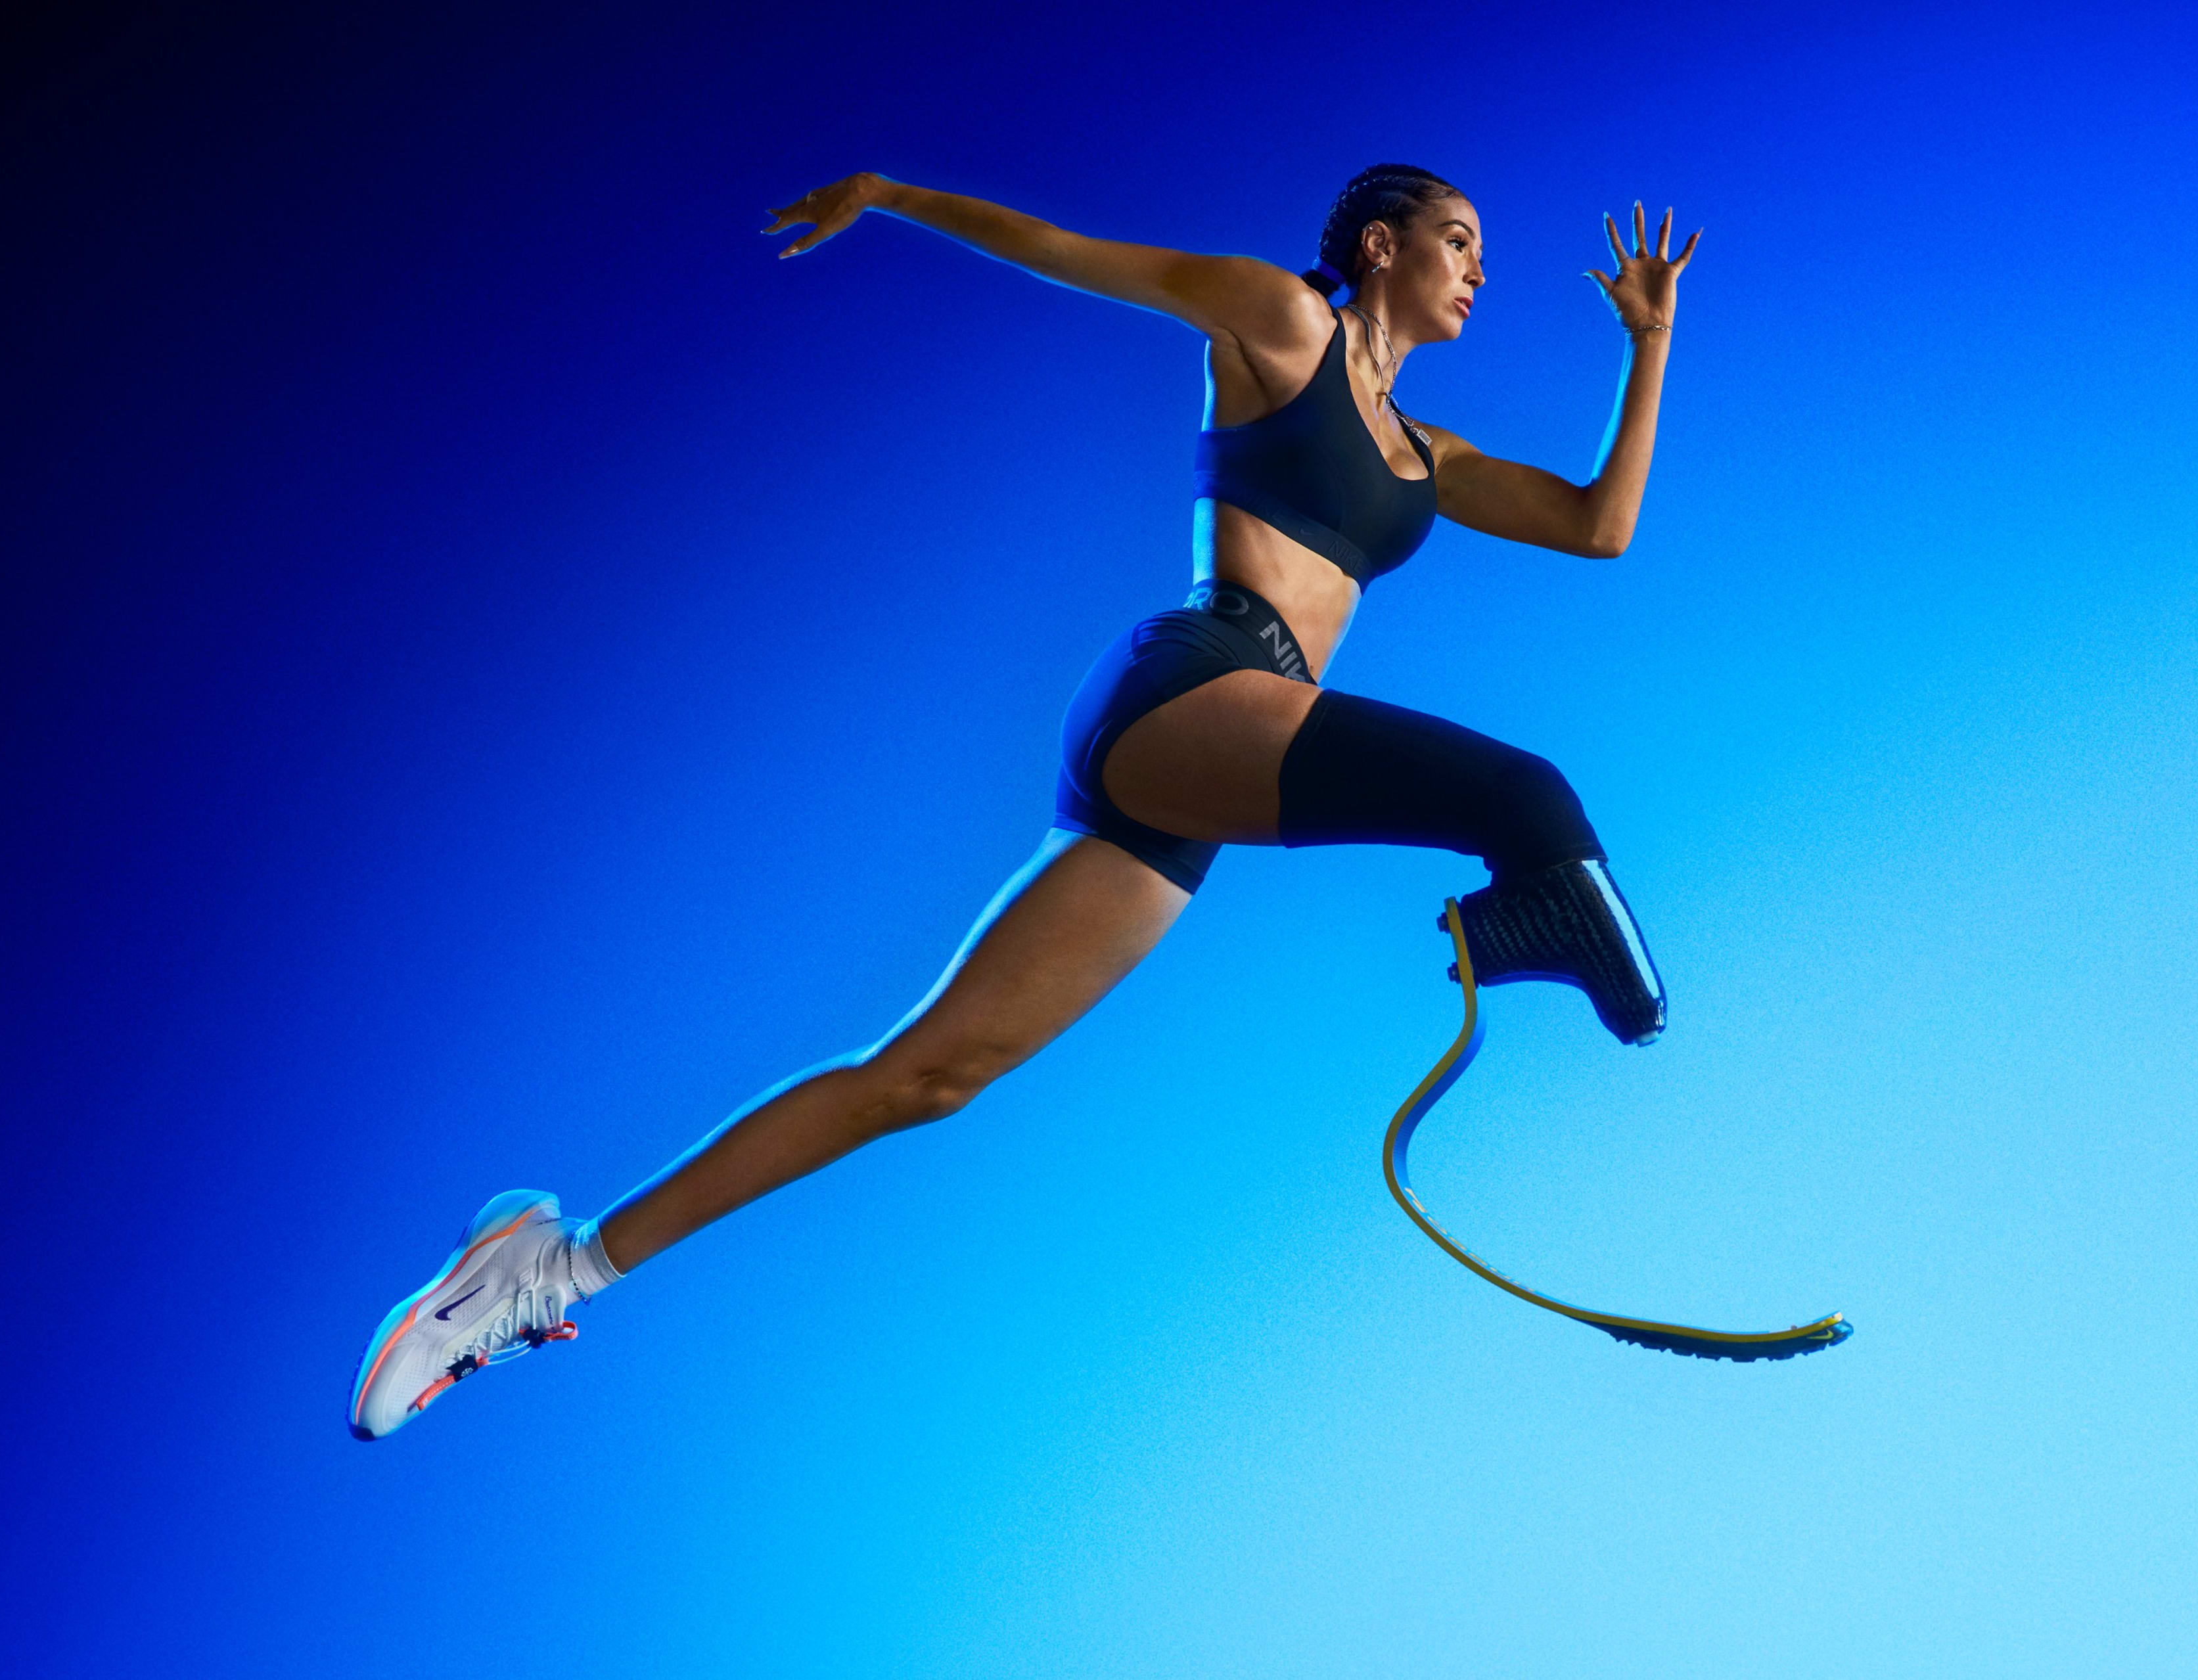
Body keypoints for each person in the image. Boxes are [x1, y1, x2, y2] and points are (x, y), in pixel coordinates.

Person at [350, 164, 1698, 1440]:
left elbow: (1600, 526)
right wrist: (890, 194)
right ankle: (1530, 922)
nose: (1479, 269)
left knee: (928, 1077)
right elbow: (1070, 255)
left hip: (1211, 777)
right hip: (1198, 684)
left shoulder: (1428, 453)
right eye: (1460, 239)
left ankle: (549, 1268)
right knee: (1527, 795)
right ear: (1380, 243)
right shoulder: (1280, 321)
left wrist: (1647, 341)